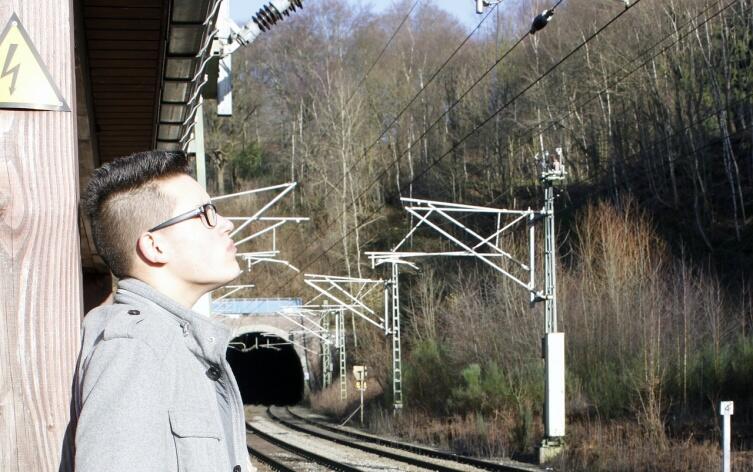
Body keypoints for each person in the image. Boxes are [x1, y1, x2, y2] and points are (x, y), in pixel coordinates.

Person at [72, 150, 250, 472]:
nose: (226, 223)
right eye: (205, 214)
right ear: (155, 246)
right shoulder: (135, 348)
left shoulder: (171, 344)